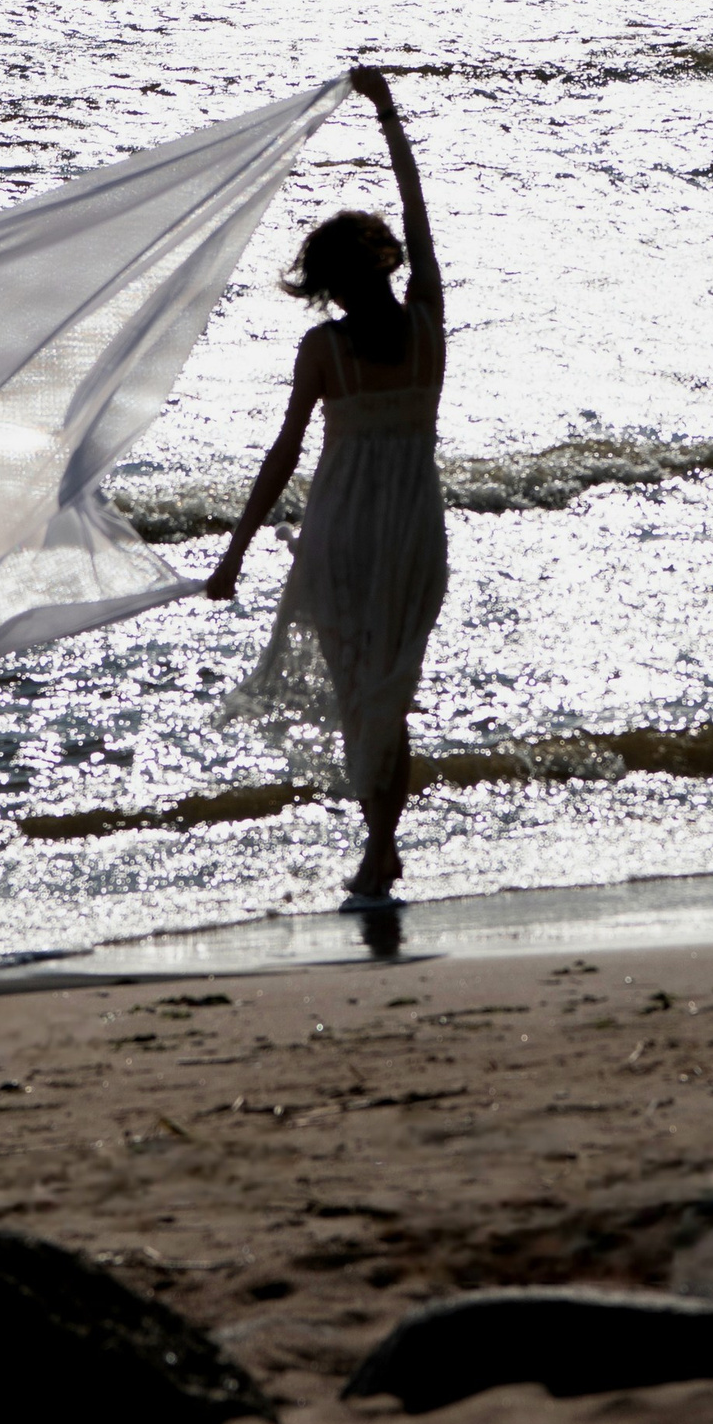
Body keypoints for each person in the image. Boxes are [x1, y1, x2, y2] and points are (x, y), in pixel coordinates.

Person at [205, 67, 447, 899]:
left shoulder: (324, 353)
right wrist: (389, 119)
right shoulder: (425, 327)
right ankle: (381, 845)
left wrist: (235, 555)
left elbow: (282, 456)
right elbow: (417, 214)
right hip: (415, 529)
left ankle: (379, 846)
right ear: (385, 265)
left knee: (361, 695)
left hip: (343, 533)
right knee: (392, 692)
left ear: (330, 283)